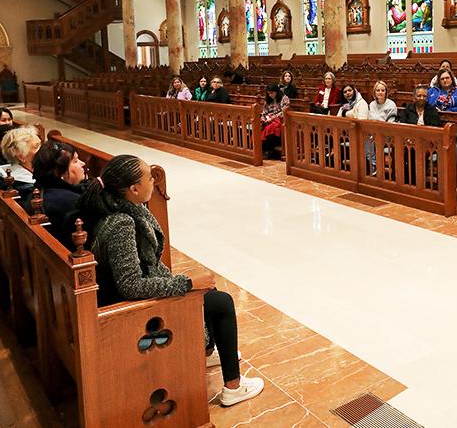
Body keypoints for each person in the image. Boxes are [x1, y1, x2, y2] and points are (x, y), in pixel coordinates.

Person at [75, 155, 265, 406]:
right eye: (148, 177)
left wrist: (187, 282)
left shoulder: (121, 208)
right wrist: (185, 284)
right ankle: (233, 387)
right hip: (129, 315)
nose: (153, 181)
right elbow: (130, 285)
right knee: (221, 302)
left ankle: (205, 350)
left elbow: (147, 264)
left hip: (128, 302)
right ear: (133, 189)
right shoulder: (122, 223)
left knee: (208, 290)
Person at [31, 141, 88, 240]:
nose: (82, 163)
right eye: (75, 161)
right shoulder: (71, 202)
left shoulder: (41, 188)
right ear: (59, 172)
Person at [0, 126, 41, 199]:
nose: (43, 149)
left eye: (41, 144)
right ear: (21, 156)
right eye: (36, 146)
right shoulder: (28, 188)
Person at [260, 84, 289, 159]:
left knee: (271, 129)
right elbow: (264, 112)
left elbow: (284, 112)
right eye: (268, 93)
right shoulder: (268, 99)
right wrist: (264, 119)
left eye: (272, 93)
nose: (270, 95)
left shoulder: (284, 98)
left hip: (279, 120)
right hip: (268, 119)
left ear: (276, 92)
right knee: (259, 127)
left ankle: (267, 150)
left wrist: (272, 118)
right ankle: (263, 150)